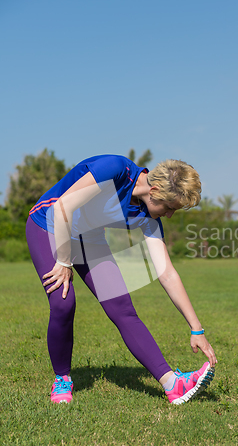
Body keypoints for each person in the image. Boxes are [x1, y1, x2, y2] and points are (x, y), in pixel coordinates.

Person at [26, 154, 217, 405]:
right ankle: (62, 378)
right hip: (49, 223)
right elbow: (63, 207)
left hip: (88, 238)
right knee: (63, 302)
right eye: (170, 207)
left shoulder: (148, 216)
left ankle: (173, 384)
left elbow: (167, 273)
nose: (169, 215)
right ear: (155, 190)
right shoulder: (115, 169)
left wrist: (197, 329)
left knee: (122, 308)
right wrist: (64, 262)